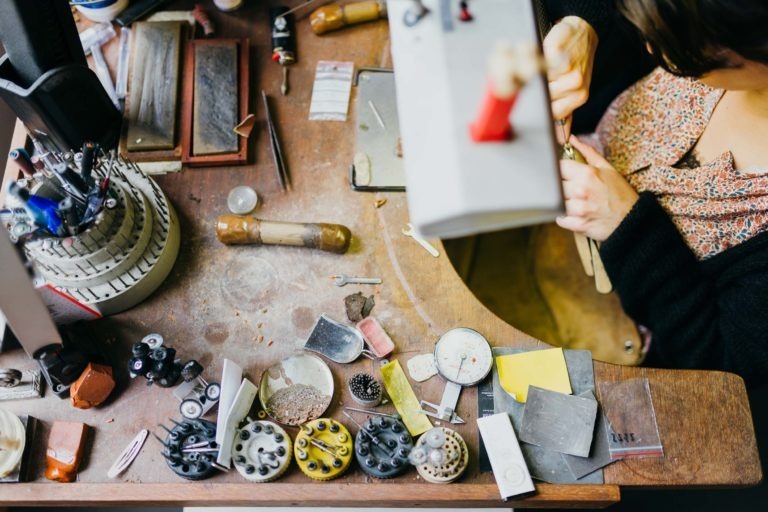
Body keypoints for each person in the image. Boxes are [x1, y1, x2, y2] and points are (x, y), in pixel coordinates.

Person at [550, 0, 768, 387]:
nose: (650, 48)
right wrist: (585, 24)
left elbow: (723, 365)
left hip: (616, 336)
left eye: (688, 55)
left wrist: (628, 229)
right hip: (549, 234)